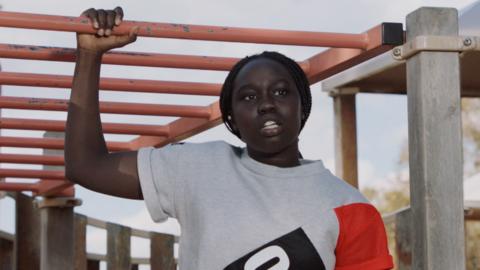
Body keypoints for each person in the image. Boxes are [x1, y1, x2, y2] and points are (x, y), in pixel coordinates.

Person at [65, 7, 394, 270]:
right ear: (232, 118)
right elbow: (85, 165)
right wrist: (89, 57)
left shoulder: (349, 207)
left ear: (301, 106)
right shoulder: (196, 168)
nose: (266, 104)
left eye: (281, 92)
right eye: (249, 97)